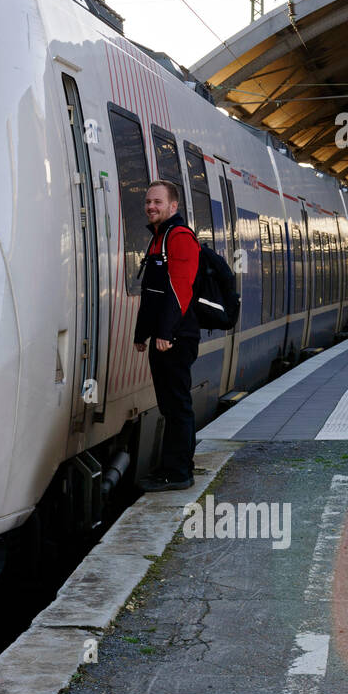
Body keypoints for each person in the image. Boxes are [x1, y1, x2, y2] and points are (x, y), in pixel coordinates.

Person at [133, 179, 202, 491]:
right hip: (164, 337)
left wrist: (166, 333)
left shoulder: (180, 237)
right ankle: (173, 468)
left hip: (176, 338)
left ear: (174, 206)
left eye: (158, 202)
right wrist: (141, 334)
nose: (151, 207)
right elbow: (152, 292)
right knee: (170, 406)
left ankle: (179, 472)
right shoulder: (159, 237)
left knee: (177, 406)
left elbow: (180, 287)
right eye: (148, 202)